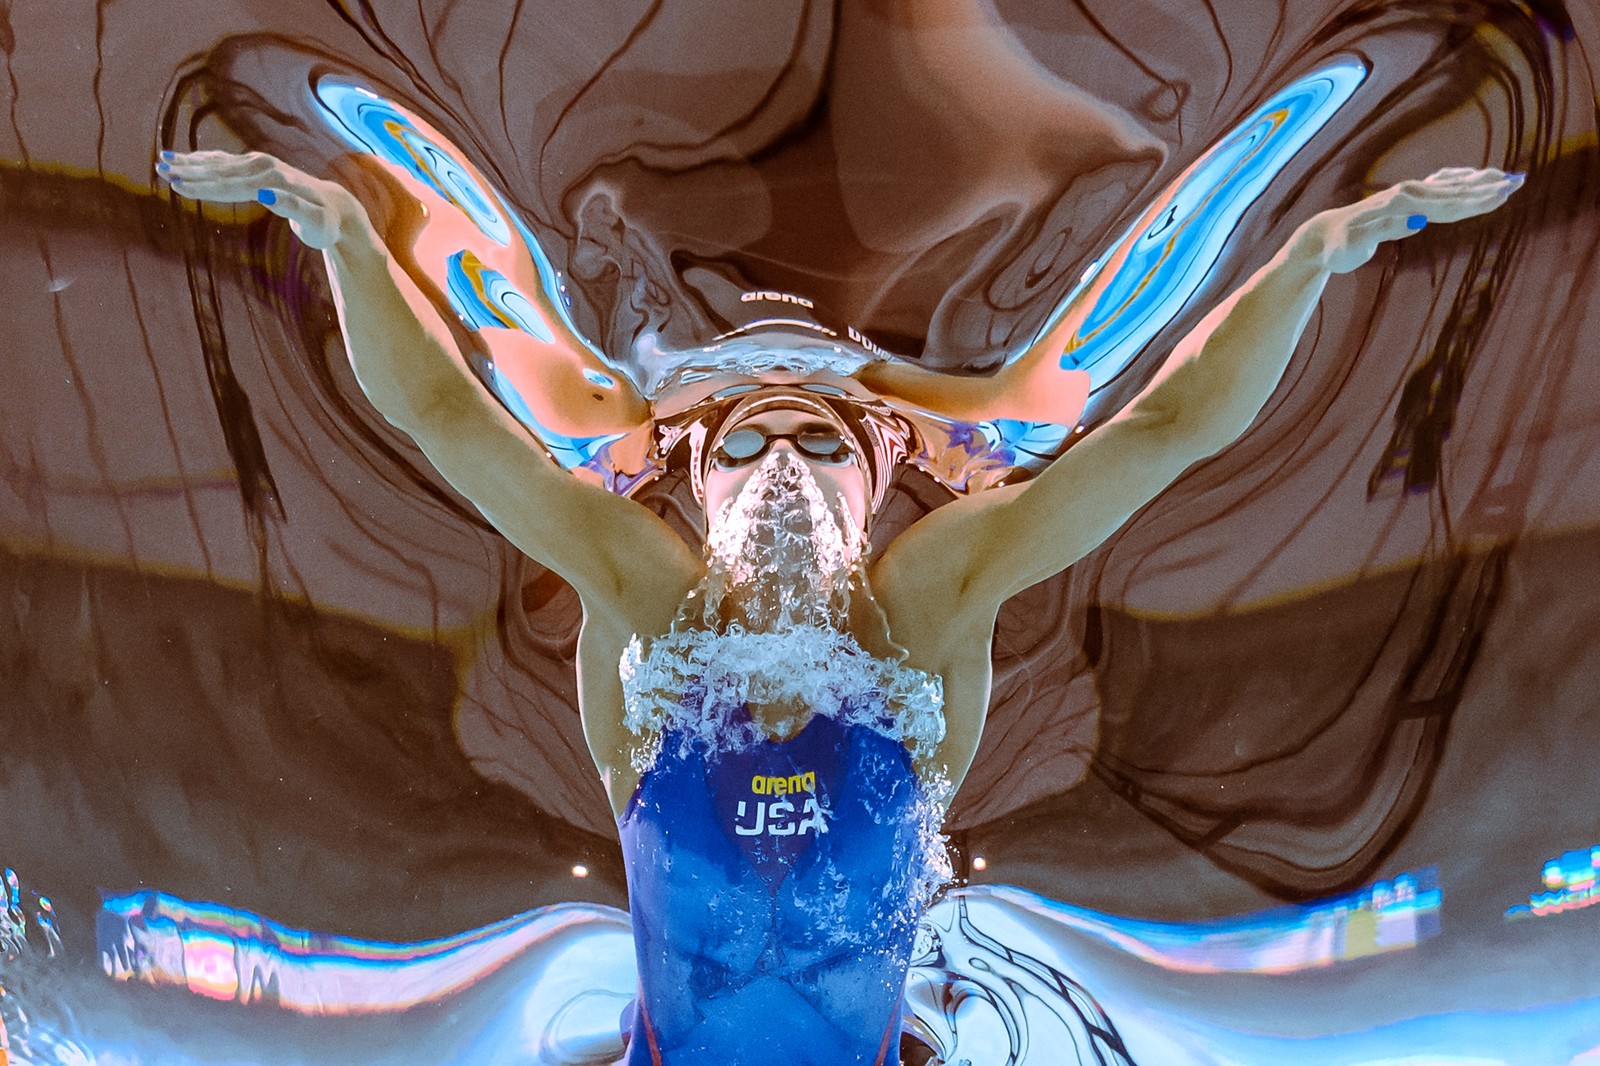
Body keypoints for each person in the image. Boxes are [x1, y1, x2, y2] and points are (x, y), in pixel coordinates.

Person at [157, 149, 1518, 1064]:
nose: (783, 466)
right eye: (745, 442)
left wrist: (1318, 252)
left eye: (821, 440)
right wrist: (343, 233)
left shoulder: (921, 611)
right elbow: (448, 419)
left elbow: (1163, 434)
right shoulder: (651, 603)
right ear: (699, 489)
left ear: (872, 490)